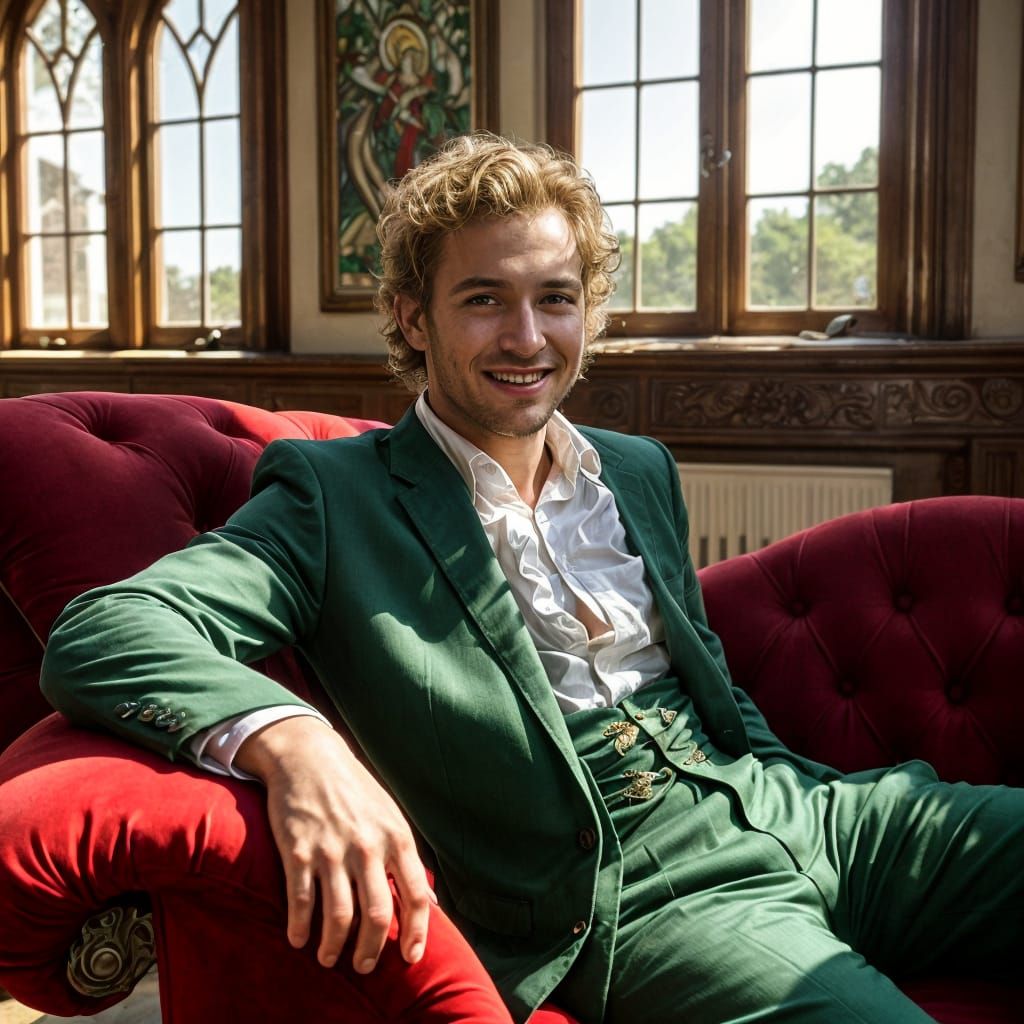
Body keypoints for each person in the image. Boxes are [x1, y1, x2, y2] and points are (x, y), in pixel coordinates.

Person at [40, 134, 1024, 1024]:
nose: (526, 337)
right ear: (410, 317)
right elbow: (109, 627)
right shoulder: (332, 497)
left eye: (554, 297)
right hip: (633, 895)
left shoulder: (638, 467)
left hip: (811, 812)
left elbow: (709, 678)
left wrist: (779, 775)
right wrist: (296, 745)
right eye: (483, 299)